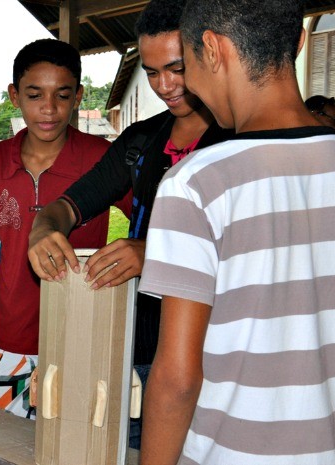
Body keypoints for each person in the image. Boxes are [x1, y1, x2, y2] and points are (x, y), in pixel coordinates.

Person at [137, 0, 335, 463]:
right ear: (300, 42)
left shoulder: (197, 183)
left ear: (211, 49)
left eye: (184, 65)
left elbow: (177, 378)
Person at [27, 0, 232, 448]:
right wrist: (44, 228)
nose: (164, 86)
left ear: (207, 53)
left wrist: (153, 254)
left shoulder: (236, 141)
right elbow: (69, 204)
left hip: (213, 360)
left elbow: (245, 258)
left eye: (176, 69)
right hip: (140, 354)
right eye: (153, 72)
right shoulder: (141, 141)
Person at [0, 38, 130, 419]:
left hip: (80, 346)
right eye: (35, 95)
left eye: (62, 96)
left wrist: (139, 246)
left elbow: (158, 221)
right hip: (8, 347)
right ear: (14, 95)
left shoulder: (103, 159)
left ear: (79, 96)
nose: (49, 109)